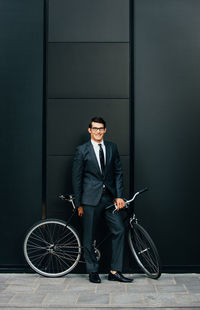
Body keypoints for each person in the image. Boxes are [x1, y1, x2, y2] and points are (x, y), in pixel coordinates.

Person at [72, 117, 133, 283]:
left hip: (109, 199)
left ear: (105, 130)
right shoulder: (82, 150)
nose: (98, 131)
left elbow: (118, 173)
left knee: (119, 230)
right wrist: (78, 203)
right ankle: (92, 271)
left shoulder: (112, 147)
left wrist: (119, 195)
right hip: (90, 200)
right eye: (95, 128)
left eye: (101, 128)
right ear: (89, 130)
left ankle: (114, 271)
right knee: (89, 236)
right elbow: (76, 179)